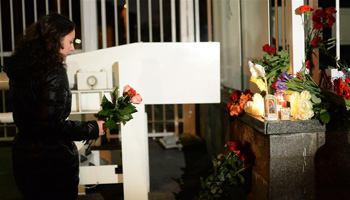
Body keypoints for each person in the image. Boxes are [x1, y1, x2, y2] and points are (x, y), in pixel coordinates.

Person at [5, 13, 106, 200]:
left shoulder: (21, 68)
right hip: (51, 163)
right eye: (70, 41)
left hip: (24, 157)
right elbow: (51, 125)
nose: (73, 47)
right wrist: (91, 128)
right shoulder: (54, 72)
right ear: (56, 40)